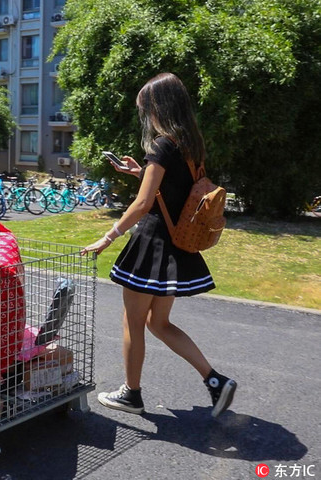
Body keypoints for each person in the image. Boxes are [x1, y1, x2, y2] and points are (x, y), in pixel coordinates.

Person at [81, 73, 236, 418]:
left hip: (152, 245)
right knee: (159, 323)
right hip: (176, 246)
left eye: (146, 109)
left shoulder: (162, 145)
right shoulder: (190, 145)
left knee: (133, 321)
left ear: (158, 108)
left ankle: (131, 395)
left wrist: (107, 238)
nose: (145, 116)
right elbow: (179, 189)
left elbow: (142, 204)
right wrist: (141, 172)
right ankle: (216, 382)